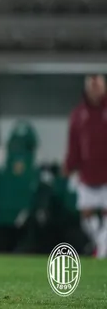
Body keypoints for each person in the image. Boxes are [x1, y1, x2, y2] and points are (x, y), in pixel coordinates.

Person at [64, 74, 107, 258]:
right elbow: (73, 143)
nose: (95, 90)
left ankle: (101, 252)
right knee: (86, 217)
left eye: (99, 86)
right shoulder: (78, 115)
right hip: (87, 174)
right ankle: (101, 244)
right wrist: (69, 165)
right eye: (92, 86)